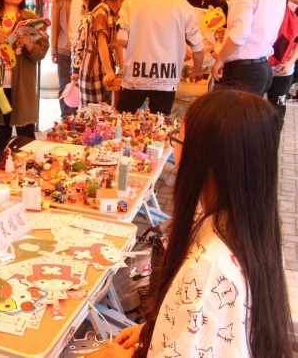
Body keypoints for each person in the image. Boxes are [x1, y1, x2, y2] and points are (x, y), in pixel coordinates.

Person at [106, 90, 293, 358]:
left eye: (178, 140)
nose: (174, 149)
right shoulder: (254, 229)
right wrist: (154, 330)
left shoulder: (207, 269)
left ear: (203, 159)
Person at [116, 0, 204, 116]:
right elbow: (197, 46)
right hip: (167, 76)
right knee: (160, 124)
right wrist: (197, 70)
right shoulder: (182, 3)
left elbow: (122, 39)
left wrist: (140, 46)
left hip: (136, 75)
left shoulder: (131, 1)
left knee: (124, 121)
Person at [0, 0, 49, 156]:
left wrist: (29, 44)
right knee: (1, 134)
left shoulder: (31, 19)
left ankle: (29, 167)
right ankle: (1, 165)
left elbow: (42, 51)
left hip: (23, 86)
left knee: (26, 133)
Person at [212, 0, 284, 97]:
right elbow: (271, 31)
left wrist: (220, 58)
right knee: (251, 112)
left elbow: (240, 34)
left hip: (243, 71)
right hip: (262, 66)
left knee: (233, 112)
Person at [71, 0, 133, 106]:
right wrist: (110, 71)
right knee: (93, 110)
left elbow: (117, 44)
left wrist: (121, 69)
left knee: (107, 110)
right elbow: (101, 43)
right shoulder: (102, 10)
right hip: (93, 68)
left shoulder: (117, 11)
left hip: (106, 65)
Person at [51, 0, 89, 119]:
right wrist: (53, 50)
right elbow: (54, 26)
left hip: (84, 50)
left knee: (83, 85)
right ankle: (66, 118)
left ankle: (81, 118)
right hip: (64, 48)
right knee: (65, 85)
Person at [179, 0, 228, 76]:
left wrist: (224, 33)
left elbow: (227, 31)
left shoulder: (221, 2)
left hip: (211, 62)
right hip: (183, 61)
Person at [265, 0, 298, 129]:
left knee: (276, 112)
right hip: (259, 68)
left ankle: (273, 142)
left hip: (283, 69)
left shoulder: (294, 11)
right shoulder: (263, 7)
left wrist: (290, 62)